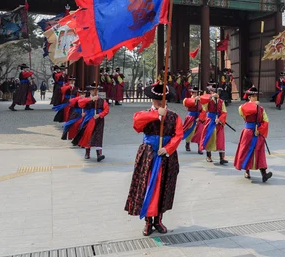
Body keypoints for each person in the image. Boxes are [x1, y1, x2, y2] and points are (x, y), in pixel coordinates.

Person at [124, 83, 183, 236]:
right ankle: (148, 222)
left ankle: (158, 220)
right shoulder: (144, 114)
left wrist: (168, 148)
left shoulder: (174, 116)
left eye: (161, 100)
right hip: (148, 155)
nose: (158, 102)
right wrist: (156, 115)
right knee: (146, 185)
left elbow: (178, 135)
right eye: (156, 99)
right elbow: (136, 125)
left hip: (166, 156)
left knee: (163, 187)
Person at [234, 86, 273, 182]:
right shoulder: (243, 107)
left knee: (260, 152)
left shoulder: (261, 109)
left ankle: (264, 174)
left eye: (256, 96)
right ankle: (247, 171)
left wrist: (260, 129)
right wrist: (253, 106)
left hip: (258, 132)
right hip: (248, 132)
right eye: (253, 96)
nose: (255, 98)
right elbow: (243, 112)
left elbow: (266, 121)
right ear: (249, 97)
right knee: (247, 150)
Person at [72, 83, 110, 161]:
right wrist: (91, 99)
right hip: (89, 119)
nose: (95, 92)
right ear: (90, 91)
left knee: (99, 135)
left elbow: (106, 109)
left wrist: (100, 115)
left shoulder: (102, 101)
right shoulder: (86, 99)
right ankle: (87, 152)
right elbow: (80, 104)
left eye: (97, 90)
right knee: (88, 135)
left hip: (99, 120)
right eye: (93, 90)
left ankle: (99, 154)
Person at [199, 85, 228, 164]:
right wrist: (210, 97)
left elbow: (224, 112)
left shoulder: (221, 102)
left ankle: (221, 157)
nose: (216, 94)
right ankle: (208, 156)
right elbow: (202, 102)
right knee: (209, 138)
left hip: (218, 122)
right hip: (210, 120)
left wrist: (220, 119)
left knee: (220, 139)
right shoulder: (208, 100)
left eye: (217, 92)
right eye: (214, 92)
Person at [183, 86, 204, 155]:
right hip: (191, 117)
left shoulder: (200, 101)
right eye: (194, 93)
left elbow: (203, 110)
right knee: (189, 131)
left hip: (198, 118)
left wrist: (200, 117)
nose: (196, 94)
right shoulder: (187, 99)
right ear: (191, 93)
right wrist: (195, 100)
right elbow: (188, 103)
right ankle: (187, 143)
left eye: (197, 93)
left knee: (200, 132)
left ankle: (199, 147)